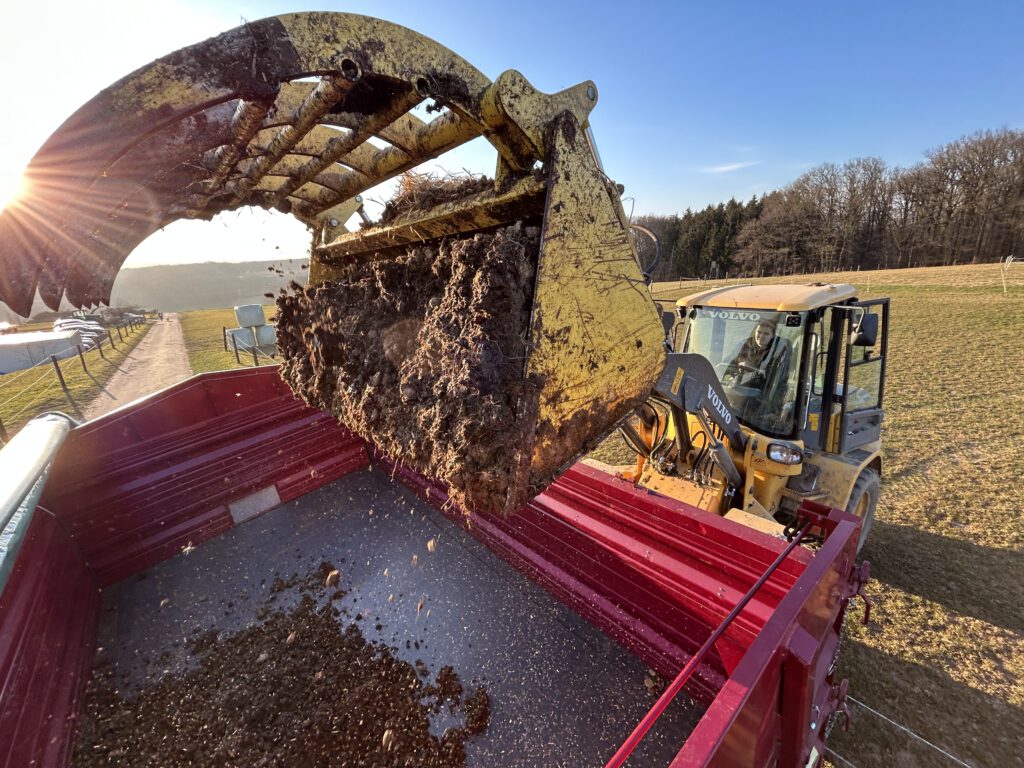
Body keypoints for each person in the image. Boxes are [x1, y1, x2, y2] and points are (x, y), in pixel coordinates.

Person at [723, 317, 791, 393]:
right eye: (759, 332)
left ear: (772, 336)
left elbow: (773, 378)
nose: (761, 337)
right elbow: (728, 364)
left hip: (763, 394)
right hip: (737, 390)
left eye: (766, 334)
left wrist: (750, 368)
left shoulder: (778, 351)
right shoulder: (744, 345)